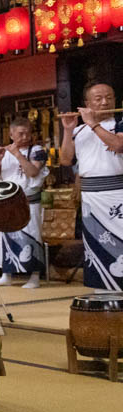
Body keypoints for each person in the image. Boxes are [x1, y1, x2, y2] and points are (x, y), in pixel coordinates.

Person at [59, 81, 123, 291]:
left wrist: (93, 124)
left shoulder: (120, 122)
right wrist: (68, 130)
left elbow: (118, 145)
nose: (105, 102)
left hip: (117, 192)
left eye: (109, 98)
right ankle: (101, 290)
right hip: (90, 196)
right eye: (98, 99)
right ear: (87, 103)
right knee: (96, 243)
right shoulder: (79, 130)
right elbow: (65, 159)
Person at [0, 118, 49, 288]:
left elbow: (33, 172)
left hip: (29, 200)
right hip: (8, 201)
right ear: (11, 134)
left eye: (28, 133)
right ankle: (7, 274)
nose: (25, 137)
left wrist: (18, 154)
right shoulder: (3, 152)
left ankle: (35, 276)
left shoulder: (37, 151)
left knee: (33, 235)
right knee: (7, 235)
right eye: (20, 134)